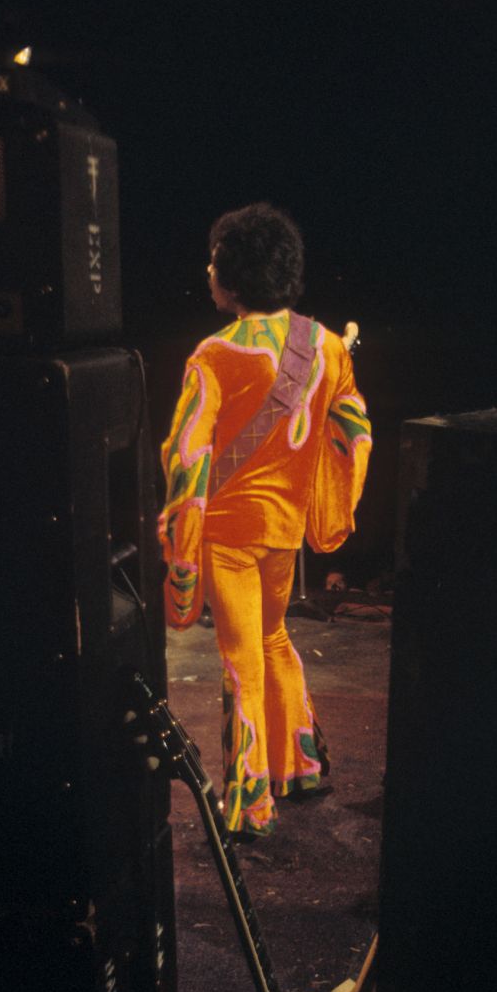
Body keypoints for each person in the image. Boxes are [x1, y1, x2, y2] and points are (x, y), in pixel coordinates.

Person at [159, 203, 371, 838]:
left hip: (226, 538)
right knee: (273, 640)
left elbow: (187, 460)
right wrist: (326, 508)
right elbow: (356, 434)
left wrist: (180, 551)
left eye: (214, 259)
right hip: (283, 535)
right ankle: (298, 763)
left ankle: (250, 803)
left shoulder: (215, 356)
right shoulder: (328, 347)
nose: (207, 268)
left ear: (231, 274)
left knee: (239, 660)